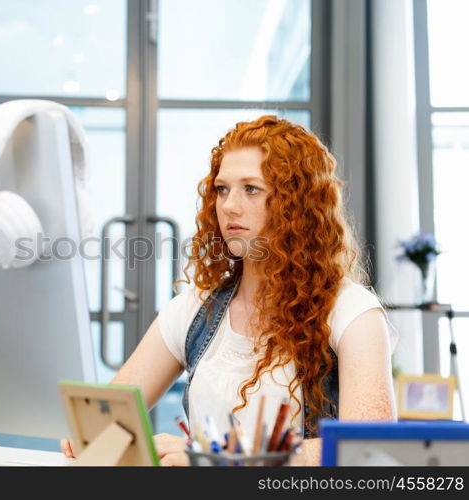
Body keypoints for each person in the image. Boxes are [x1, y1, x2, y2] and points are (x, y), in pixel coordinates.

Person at [62, 115, 397, 465]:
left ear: (296, 204)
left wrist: (213, 455)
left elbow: (368, 448)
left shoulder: (351, 311)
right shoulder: (194, 308)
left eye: (251, 189)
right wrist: (90, 434)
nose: (229, 206)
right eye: (222, 189)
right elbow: (107, 415)